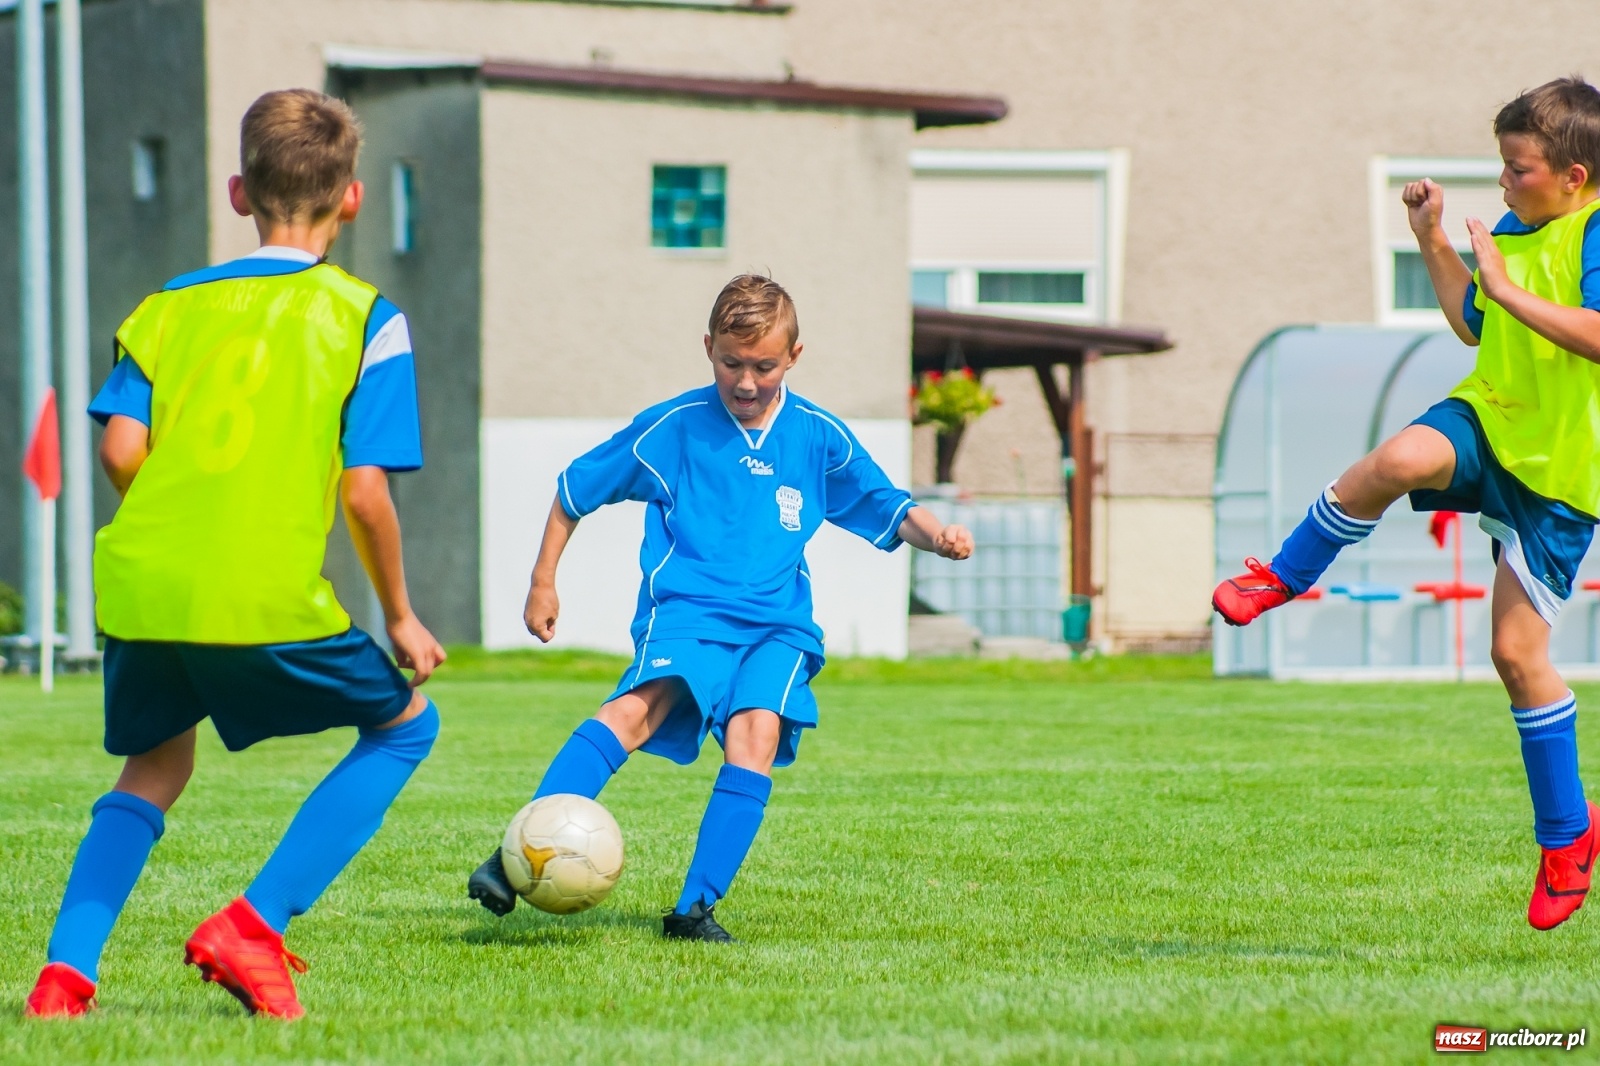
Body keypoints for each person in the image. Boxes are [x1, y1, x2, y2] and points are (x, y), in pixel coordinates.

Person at [24, 89, 445, 1020]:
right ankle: (256, 924)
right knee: (406, 727)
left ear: (237, 192)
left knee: (153, 769)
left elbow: (119, 450)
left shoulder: (167, 307)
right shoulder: (366, 318)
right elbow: (365, 492)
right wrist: (402, 616)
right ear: (352, 199)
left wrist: (179, 524)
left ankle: (63, 978)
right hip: (259, 591)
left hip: (143, 583)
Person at [467, 275, 974, 941]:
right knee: (632, 713)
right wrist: (543, 582)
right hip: (689, 615)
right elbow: (574, 490)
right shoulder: (673, 427)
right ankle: (516, 853)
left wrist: (937, 535)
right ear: (708, 347)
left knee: (755, 733)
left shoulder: (818, 436)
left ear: (793, 357)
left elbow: (889, 506)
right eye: (731, 363)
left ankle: (694, 909)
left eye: (764, 366)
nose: (746, 381)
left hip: (779, 627)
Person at [1213, 76, 1600, 930]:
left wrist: (1508, 291)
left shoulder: (1595, 230)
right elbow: (1476, 322)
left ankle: (1568, 836)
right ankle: (1282, 574)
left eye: (1518, 169)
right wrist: (1430, 236)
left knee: (1514, 655)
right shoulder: (1518, 226)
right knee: (1396, 458)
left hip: (1562, 475)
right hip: (1489, 418)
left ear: (1574, 177)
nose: (1503, 181)